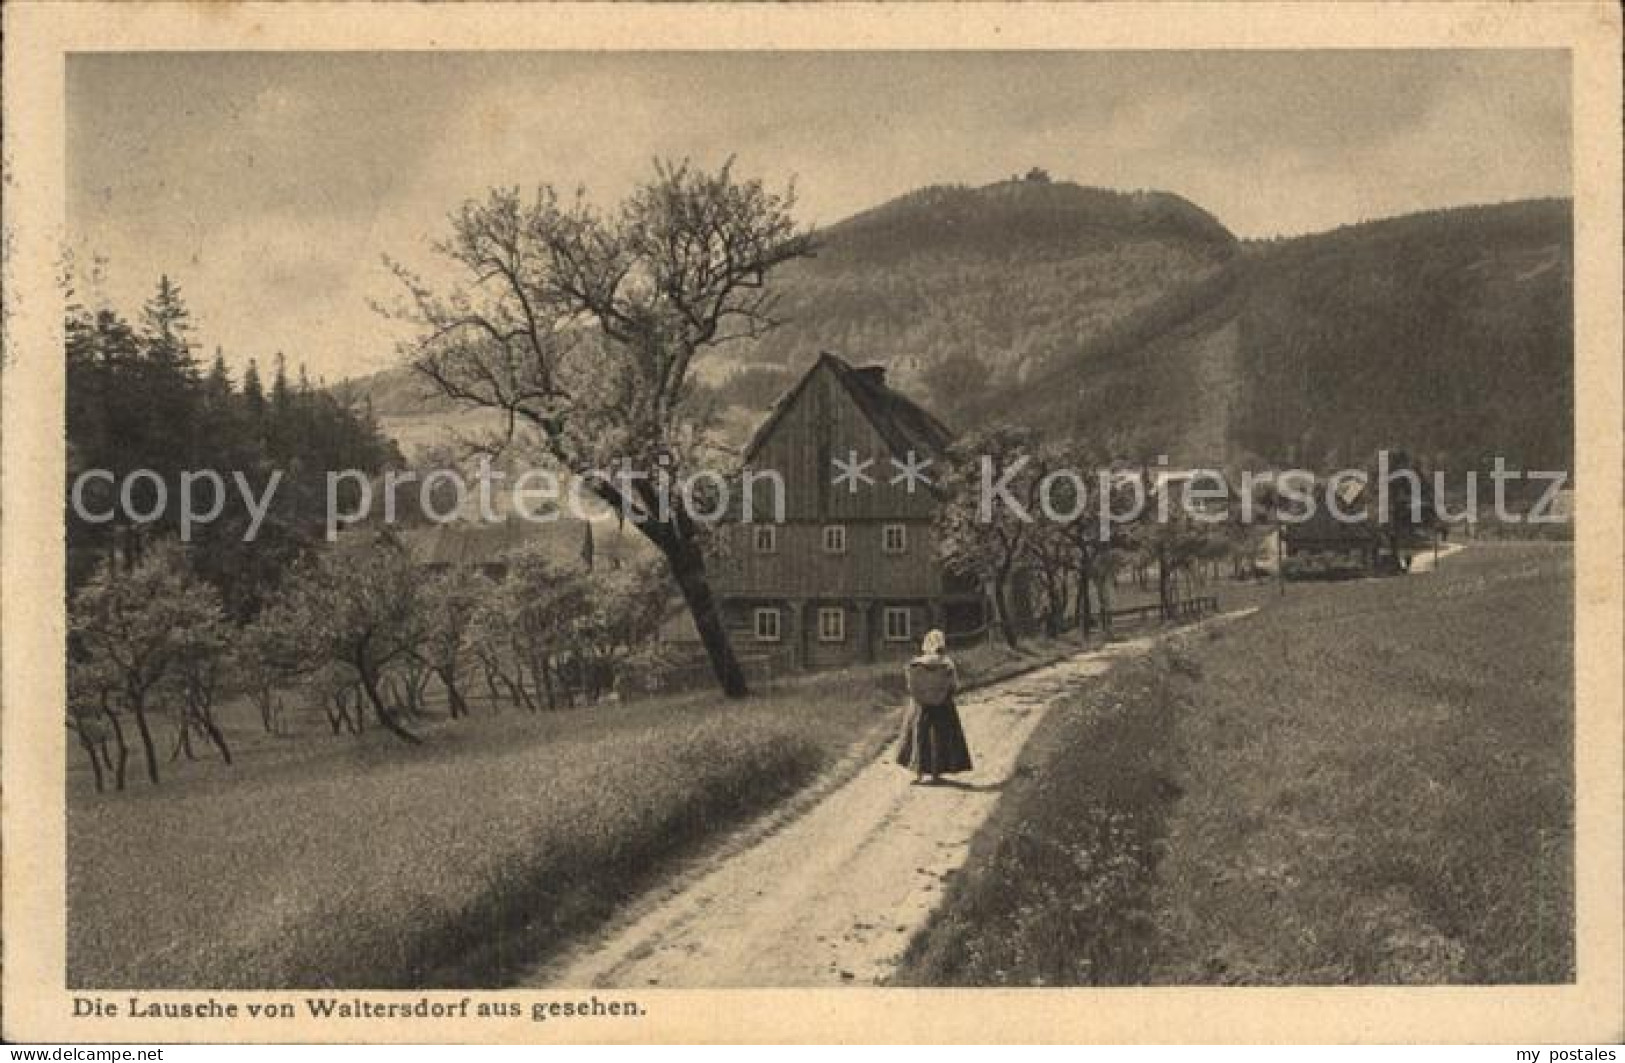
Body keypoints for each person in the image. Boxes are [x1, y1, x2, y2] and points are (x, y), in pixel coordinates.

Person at [896, 629, 974, 784]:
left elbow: (911, 686)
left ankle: (918, 771)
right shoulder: (947, 664)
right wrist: (944, 694)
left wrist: (922, 695)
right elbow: (953, 685)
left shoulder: (916, 663)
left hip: (920, 706)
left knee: (919, 735)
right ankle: (936, 772)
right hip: (943, 706)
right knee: (940, 736)